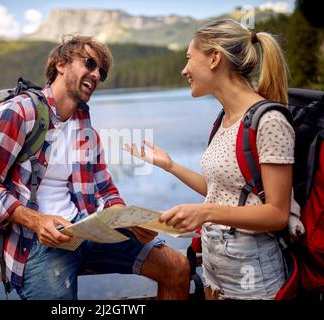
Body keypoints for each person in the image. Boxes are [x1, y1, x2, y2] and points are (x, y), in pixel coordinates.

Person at [0, 36, 190, 300]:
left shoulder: (86, 130)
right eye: (89, 63)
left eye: (102, 72)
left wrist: (129, 221)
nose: (96, 74)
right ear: (61, 64)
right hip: (35, 244)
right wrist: (37, 220)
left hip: (84, 229)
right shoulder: (18, 112)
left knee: (177, 268)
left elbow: (105, 190)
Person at [125, 19, 295, 300]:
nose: (184, 70)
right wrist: (171, 166)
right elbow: (226, 192)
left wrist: (204, 213)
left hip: (252, 271)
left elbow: (276, 214)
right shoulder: (224, 120)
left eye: (189, 59)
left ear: (215, 58)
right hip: (217, 266)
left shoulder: (269, 121)